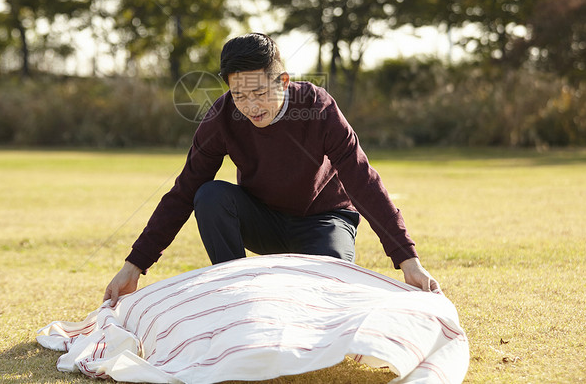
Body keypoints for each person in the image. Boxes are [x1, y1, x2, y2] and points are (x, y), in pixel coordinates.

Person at [104, 33, 439, 305]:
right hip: (263, 220)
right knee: (209, 195)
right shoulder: (222, 117)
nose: (250, 106)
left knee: (328, 293)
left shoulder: (317, 107)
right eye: (238, 95)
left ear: (283, 80)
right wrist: (134, 266)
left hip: (323, 222)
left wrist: (408, 260)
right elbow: (184, 191)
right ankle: (235, 296)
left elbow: (362, 180)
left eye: (260, 92)